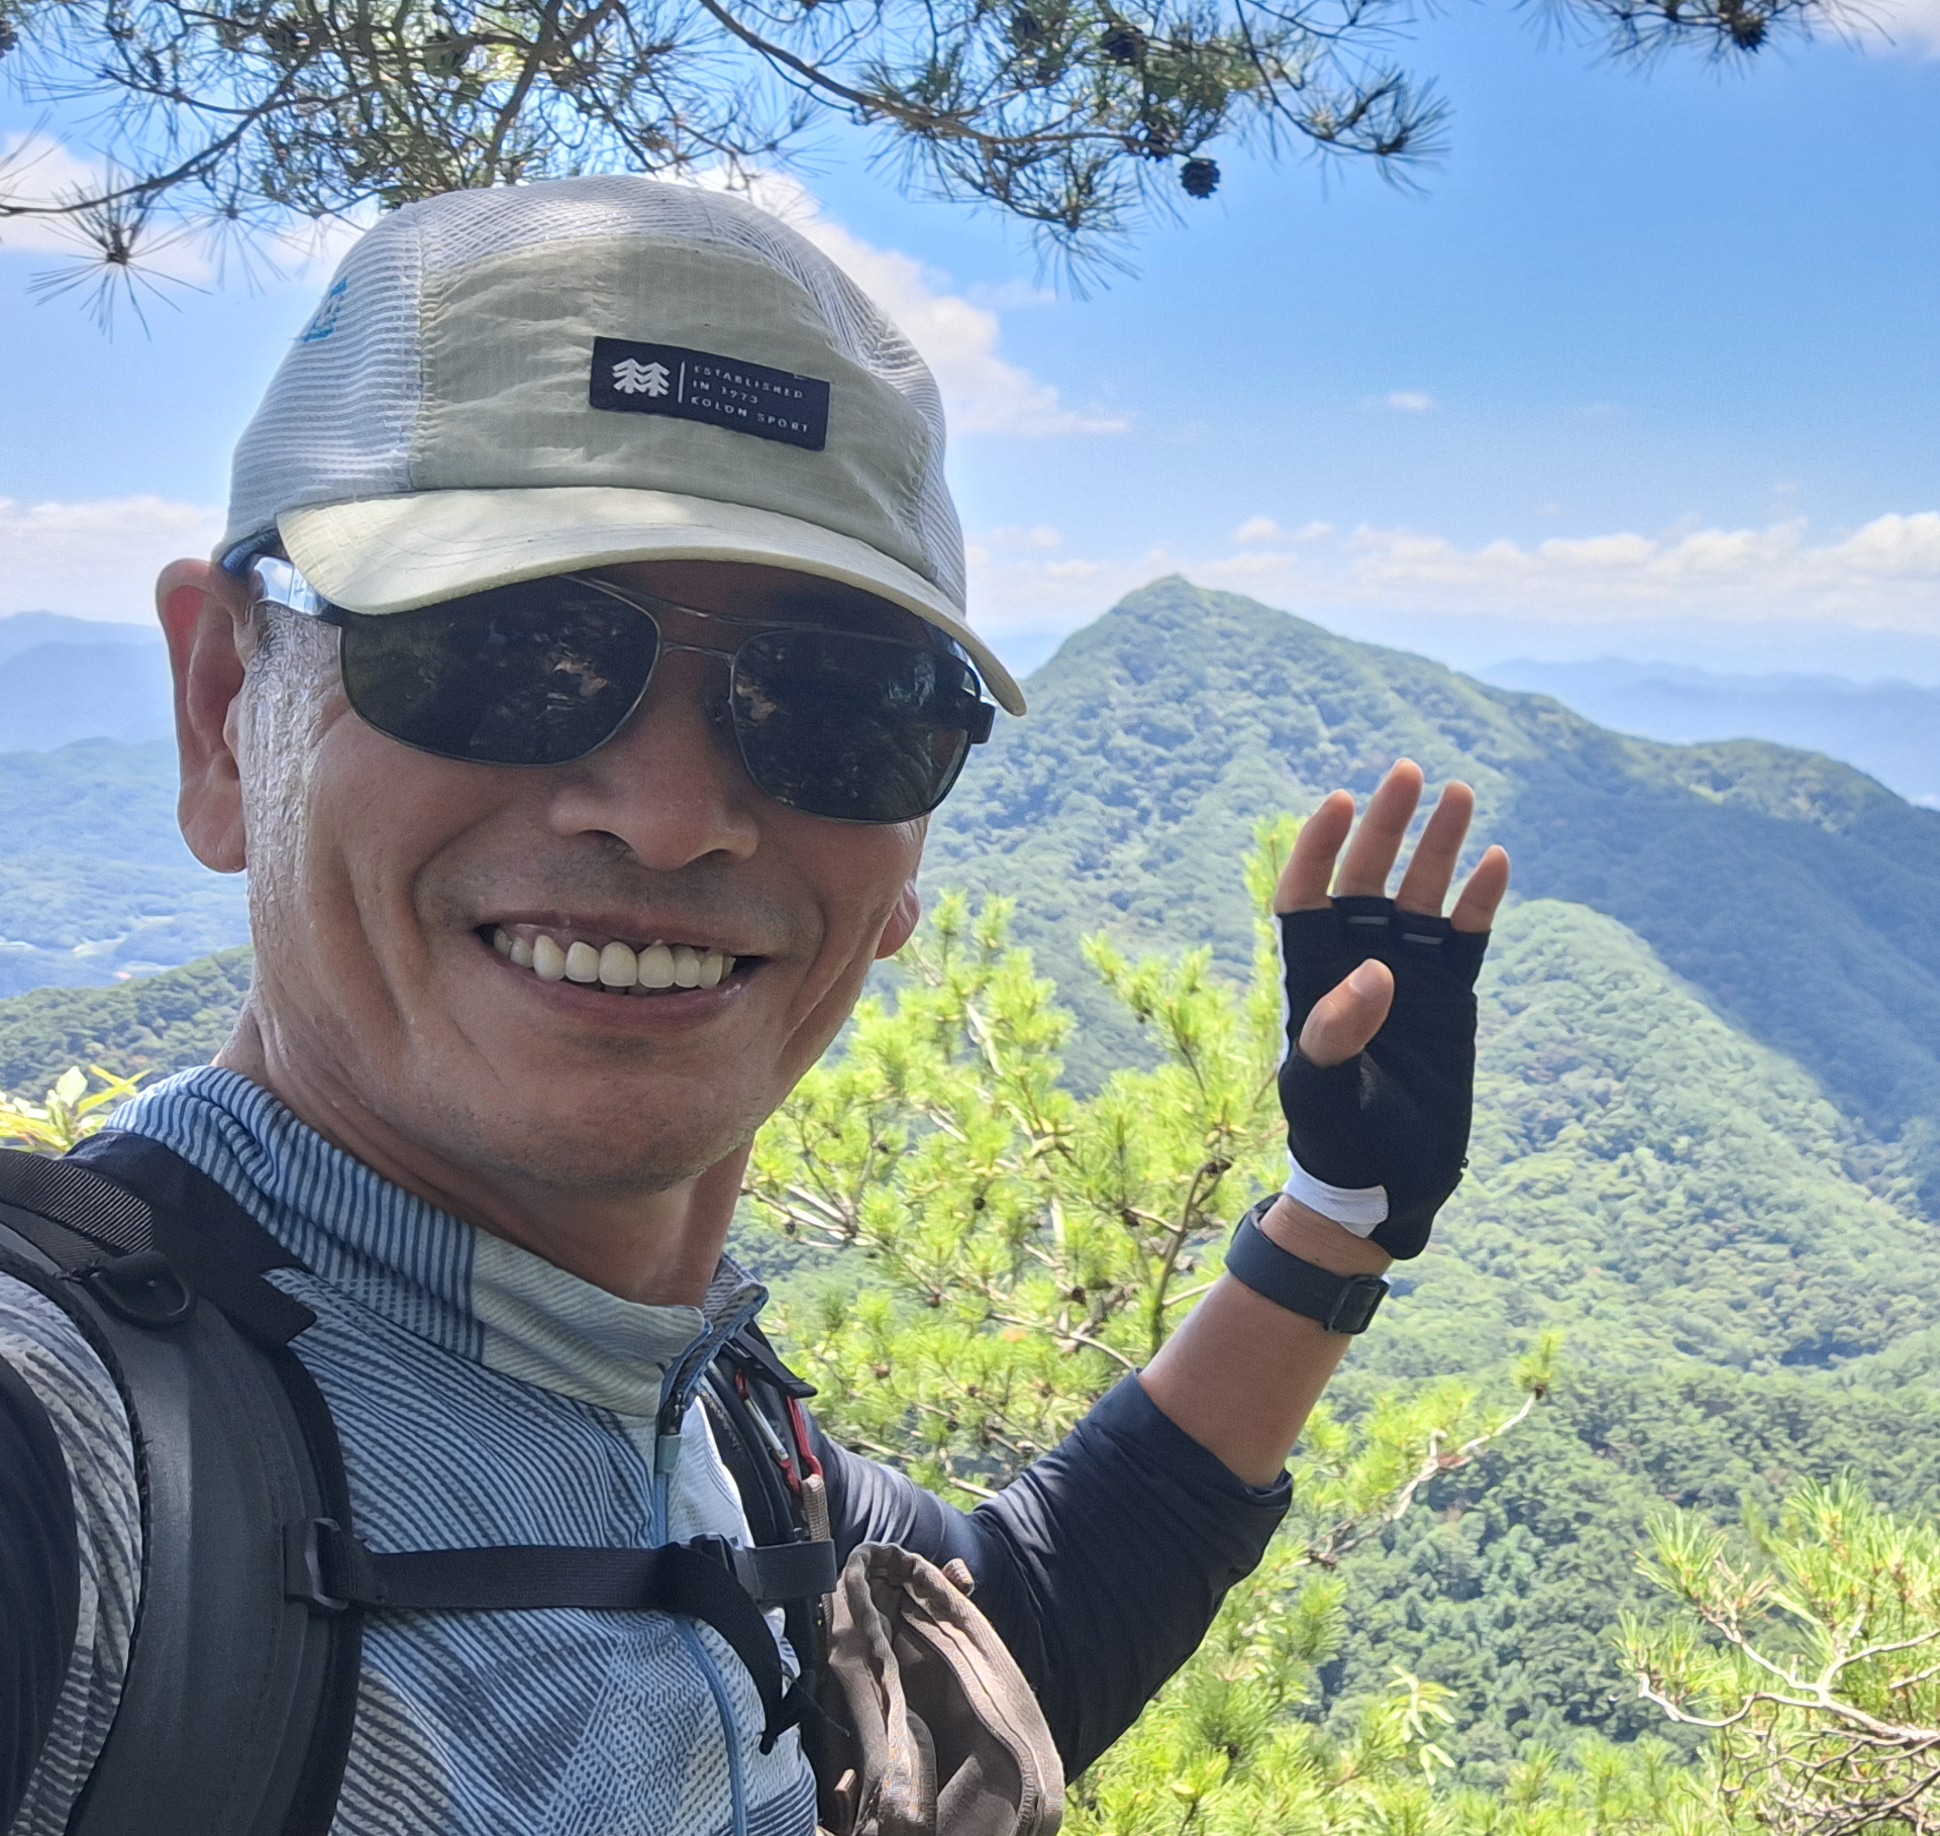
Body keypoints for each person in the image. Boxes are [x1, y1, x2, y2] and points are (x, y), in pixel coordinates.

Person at [0, 175, 1504, 1835]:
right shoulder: (66, 1466)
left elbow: (1011, 1635)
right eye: (507, 648)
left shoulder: (697, 1413)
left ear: (908, 859)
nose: (670, 817)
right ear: (224, 712)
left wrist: (1336, 1219)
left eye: (837, 703)